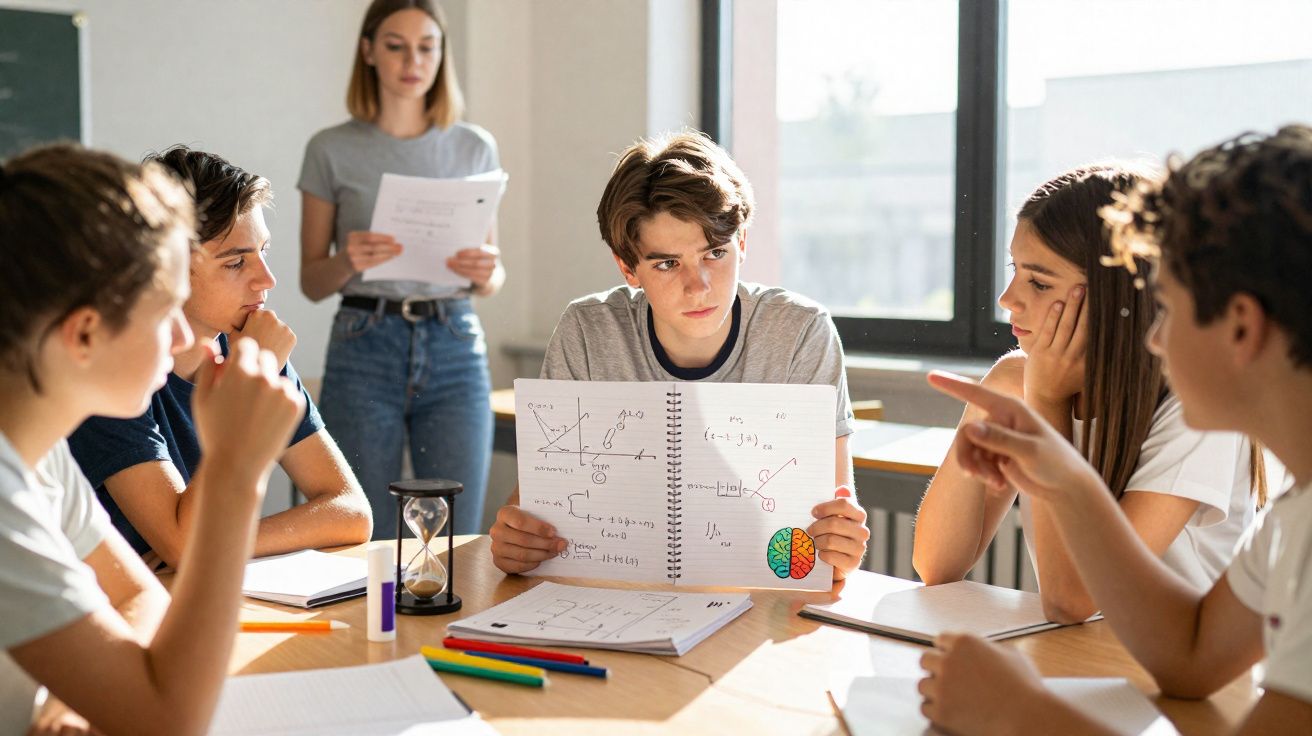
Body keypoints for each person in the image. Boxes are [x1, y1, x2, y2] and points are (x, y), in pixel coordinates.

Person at [920, 125, 1312, 735]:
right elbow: (1189, 658)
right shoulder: (1299, 513)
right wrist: (1068, 480)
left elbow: (1075, 602)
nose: (1154, 336)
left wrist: (1019, 714)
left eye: (1172, 310)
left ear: (1240, 326)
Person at [0, 143, 304, 735]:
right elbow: (167, 722)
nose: (180, 338)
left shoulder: (42, 453)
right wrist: (235, 471)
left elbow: (139, 598)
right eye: (165, 310)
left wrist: (80, 690)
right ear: (85, 333)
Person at [488, 130, 870, 579]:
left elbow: (830, 544)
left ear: (742, 243)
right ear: (628, 268)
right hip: (615, 600)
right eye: (667, 264)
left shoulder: (801, 332)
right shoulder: (588, 332)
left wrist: (839, 547)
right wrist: (517, 542)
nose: (698, 286)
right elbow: (534, 514)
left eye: (714, 253)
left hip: (754, 604)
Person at [912, 165, 1260, 622]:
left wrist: (1048, 405)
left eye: (1038, 282)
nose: (1007, 299)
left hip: (1177, 678)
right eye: (1015, 270)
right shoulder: (1026, 383)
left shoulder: (1199, 409)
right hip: (1087, 660)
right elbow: (937, 565)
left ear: (1119, 298)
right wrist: (995, 393)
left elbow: (1075, 599)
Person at [69, 146, 372, 570]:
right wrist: (192, 547)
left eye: (263, 251)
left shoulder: (251, 349)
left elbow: (352, 512)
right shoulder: (114, 375)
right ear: (165, 266)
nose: (267, 279)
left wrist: (221, 546)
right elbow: (183, 545)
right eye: (235, 263)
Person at [299, 0, 503, 538]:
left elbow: (492, 277)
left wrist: (487, 270)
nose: (413, 60)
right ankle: (372, 626)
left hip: (455, 340)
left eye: (426, 46)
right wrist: (349, 260)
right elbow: (310, 281)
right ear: (368, 51)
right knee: (363, 530)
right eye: (395, 45)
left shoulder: (474, 147)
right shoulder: (330, 149)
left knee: (455, 531)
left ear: (441, 55)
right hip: (365, 340)